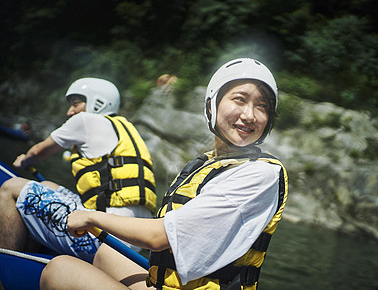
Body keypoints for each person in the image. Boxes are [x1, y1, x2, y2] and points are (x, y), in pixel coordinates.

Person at [39, 58, 289, 290]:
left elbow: (159, 236)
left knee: (60, 269)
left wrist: (91, 218)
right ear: (213, 104)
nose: (249, 115)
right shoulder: (210, 163)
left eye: (262, 106)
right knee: (108, 254)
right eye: (240, 99)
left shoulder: (260, 174)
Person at [0, 77, 157, 262]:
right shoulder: (127, 128)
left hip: (103, 239)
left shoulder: (85, 121)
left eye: (75, 104)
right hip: (132, 242)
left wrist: (24, 161)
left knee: (11, 187)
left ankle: (6, 267)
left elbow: (37, 152)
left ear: (98, 103)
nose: (70, 111)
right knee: (47, 184)